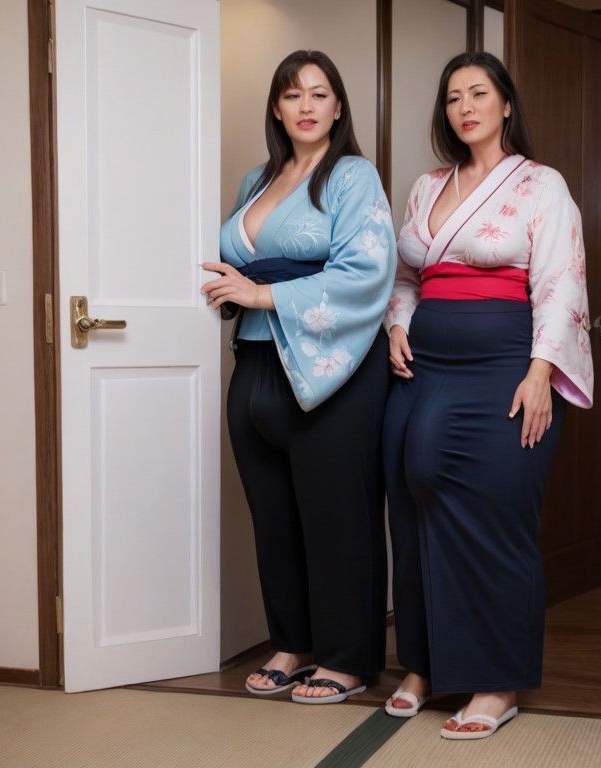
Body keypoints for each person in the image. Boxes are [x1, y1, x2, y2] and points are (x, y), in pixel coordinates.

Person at [381, 51, 593, 739]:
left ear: (505, 104)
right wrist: (398, 325)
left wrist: (540, 372)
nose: (465, 107)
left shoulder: (541, 184)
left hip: (503, 368)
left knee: (494, 519)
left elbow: (561, 281)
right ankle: (424, 665)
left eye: (478, 93)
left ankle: (497, 684)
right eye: (453, 97)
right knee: (412, 509)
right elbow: (406, 277)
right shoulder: (426, 187)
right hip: (422, 370)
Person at [202, 50, 396, 704]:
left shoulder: (352, 176)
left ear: (338, 107)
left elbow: (366, 270)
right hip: (256, 360)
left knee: (338, 516)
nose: (306, 106)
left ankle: (347, 656)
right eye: (293, 95)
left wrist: (260, 293)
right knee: (273, 516)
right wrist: (238, 293)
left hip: (333, 369)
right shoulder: (255, 180)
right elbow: (230, 267)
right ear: (277, 108)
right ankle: (293, 642)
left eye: (319, 94)